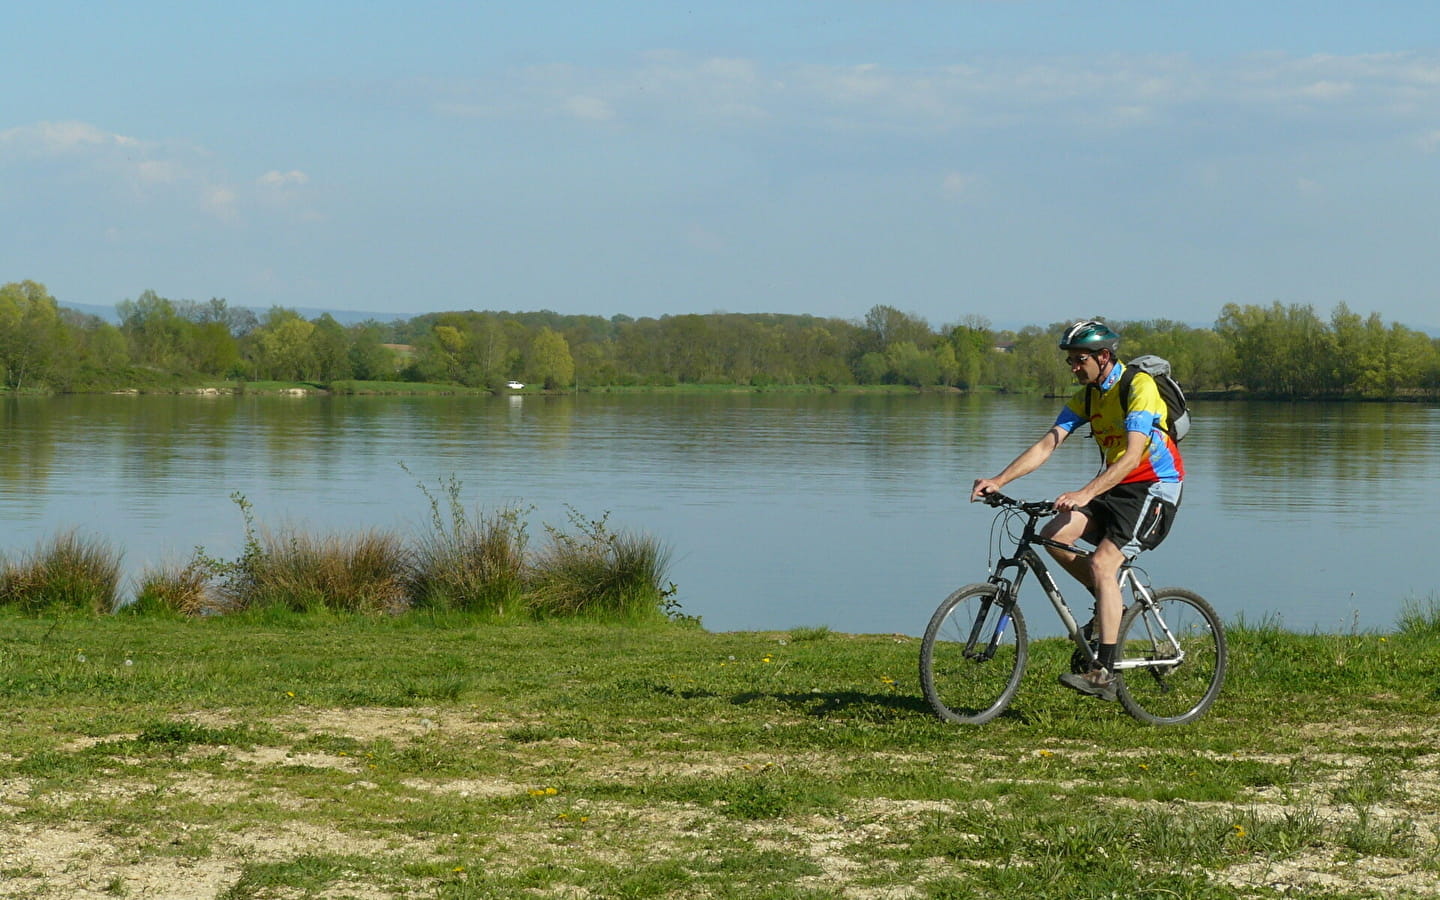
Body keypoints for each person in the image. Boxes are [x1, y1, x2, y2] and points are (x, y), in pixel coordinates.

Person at [970, 320, 1184, 702]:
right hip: (1115, 485)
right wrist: (999, 480)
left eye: (1078, 359)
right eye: (1070, 360)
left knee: (1103, 564)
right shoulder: (1088, 396)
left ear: (1104, 356)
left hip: (1154, 487)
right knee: (1054, 535)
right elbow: (1048, 443)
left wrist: (1084, 493)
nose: (1072, 367)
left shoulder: (1138, 386)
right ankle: (1107, 604)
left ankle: (1104, 674)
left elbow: (1134, 454)